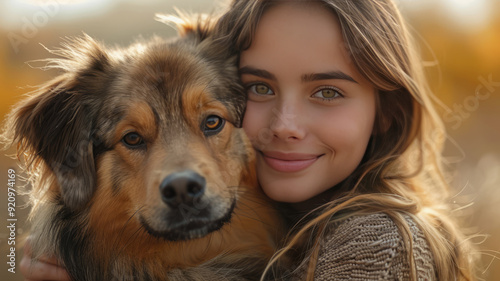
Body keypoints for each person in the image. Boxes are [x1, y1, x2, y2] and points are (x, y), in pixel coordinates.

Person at [21, 0, 476, 280]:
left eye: (214, 122)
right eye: (133, 138)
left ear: (386, 112)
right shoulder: (302, 230)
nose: (285, 125)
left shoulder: (373, 246)